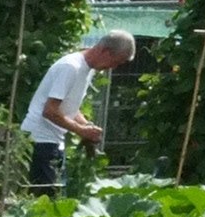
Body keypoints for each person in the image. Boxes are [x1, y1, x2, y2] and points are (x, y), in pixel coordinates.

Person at [24, 27, 134, 190]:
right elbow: (49, 110)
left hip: (53, 142)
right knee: (44, 196)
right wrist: (80, 130)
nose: (113, 67)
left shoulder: (87, 70)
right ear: (105, 51)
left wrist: (87, 126)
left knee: (55, 194)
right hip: (39, 141)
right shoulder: (71, 67)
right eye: (115, 62)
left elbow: (70, 106)